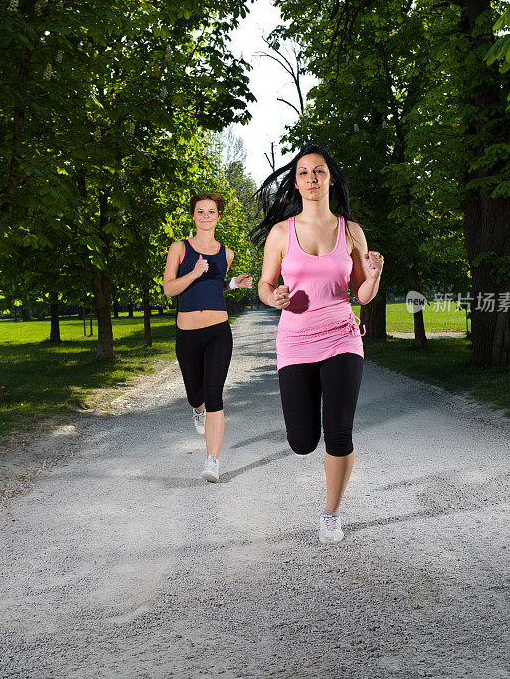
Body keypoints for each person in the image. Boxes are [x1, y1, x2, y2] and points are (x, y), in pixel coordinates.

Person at [253, 144, 384, 543]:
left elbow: (362, 294)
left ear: (330, 179)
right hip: (294, 341)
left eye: (319, 171)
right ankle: (307, 443)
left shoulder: (351, 231)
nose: (312, 178)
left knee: (339, 432)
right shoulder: (281, 233)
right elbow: (265, 283)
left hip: (342, 336)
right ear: (296, 182)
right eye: (304, 173)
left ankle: (331, 513)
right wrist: (271, 296)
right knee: (302, 441)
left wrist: (375, 274)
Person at [163, 192, 252, 483]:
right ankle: (197, 410)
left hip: (218, 331)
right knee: (195, 394)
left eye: (211, 211)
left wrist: (234, 283)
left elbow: (215, 286)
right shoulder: (179, 248)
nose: (205, 216)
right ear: (193, 216)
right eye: (200, 211)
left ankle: (212, 460)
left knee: (214, 395)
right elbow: (170, 289)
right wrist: (194, 272)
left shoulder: (226, 253)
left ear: (218, 216)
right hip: (187, 332)